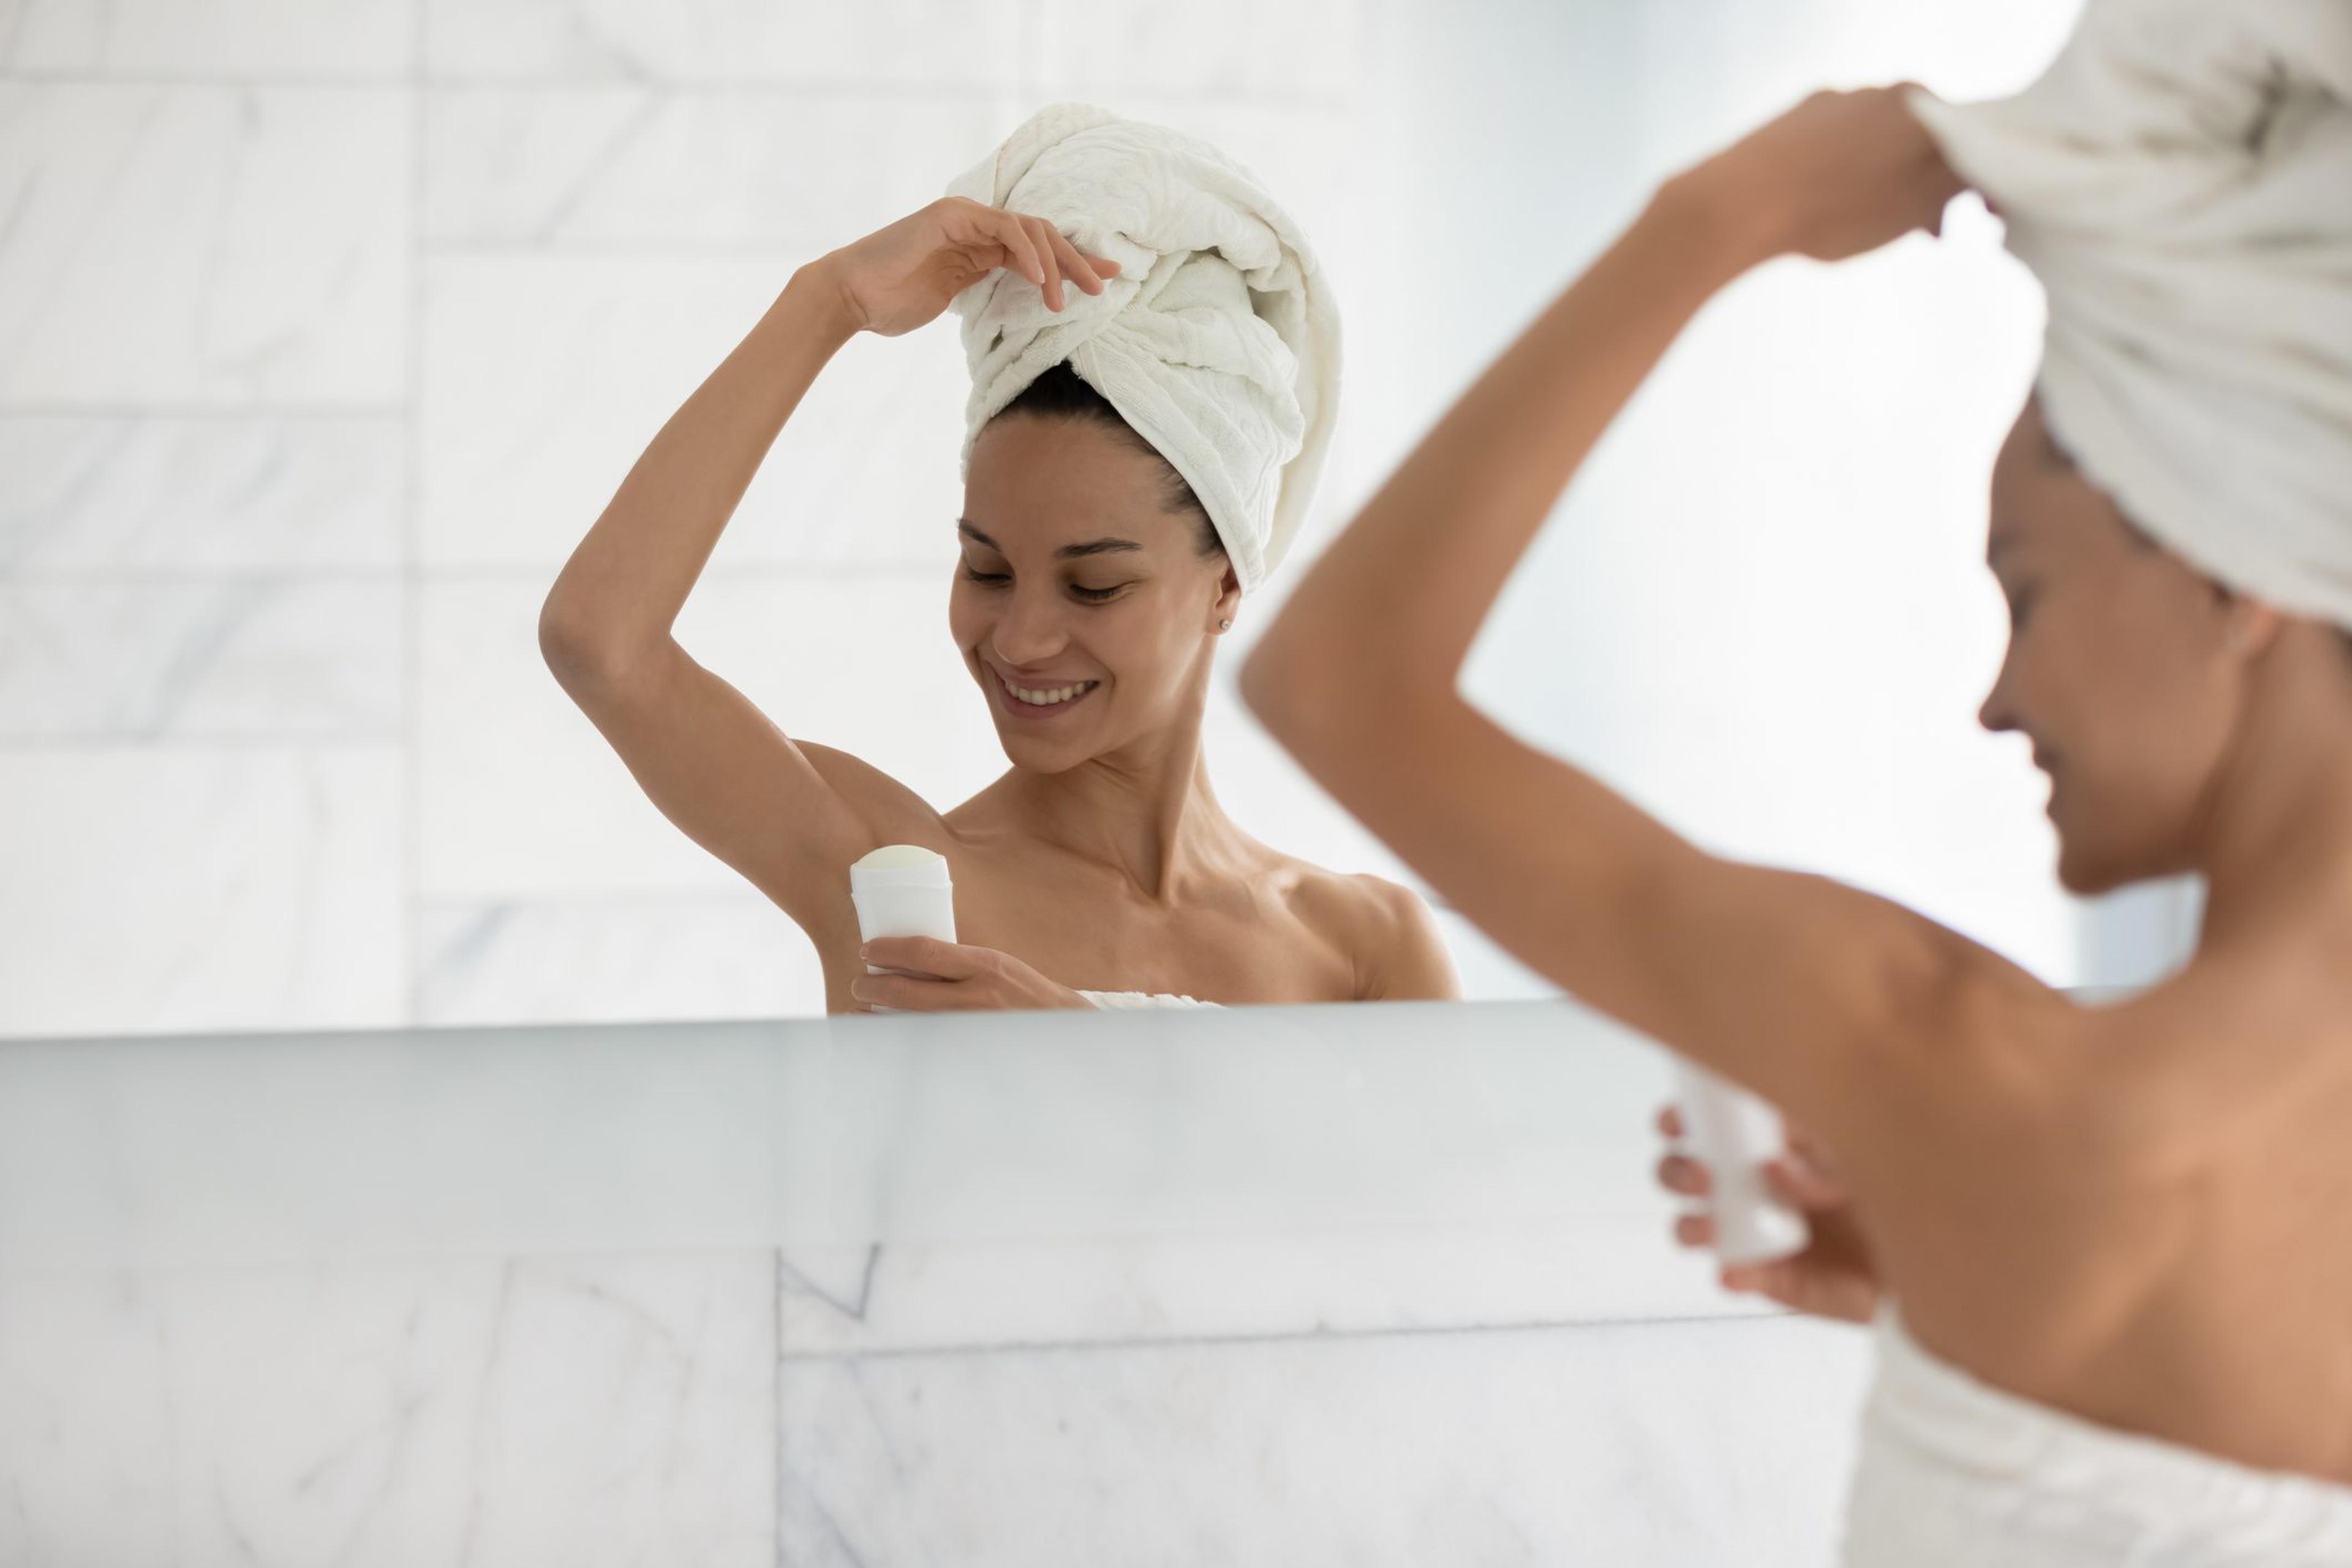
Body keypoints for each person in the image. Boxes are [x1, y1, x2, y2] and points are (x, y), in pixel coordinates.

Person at [1242, 0, 2352, 1556]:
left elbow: (1337, 682)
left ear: (2237, 579)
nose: (1997, 695)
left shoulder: (1996, 1085)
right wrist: (1971, 1277)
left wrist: (1720, 217)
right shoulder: (2030, 1163)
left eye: (2025, 587)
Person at [541, 107, 1455, 1016]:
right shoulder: (898, 884)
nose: (1019, 639)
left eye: (1093, 584)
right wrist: (831, 300)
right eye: (986, 570)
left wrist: (1081, 1057)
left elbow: (1455, 1172)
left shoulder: (1364, 946)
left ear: (1224, 585)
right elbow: (601, 644)